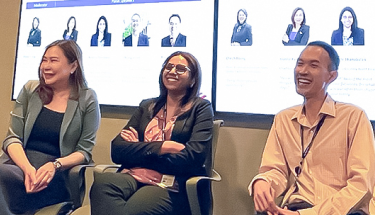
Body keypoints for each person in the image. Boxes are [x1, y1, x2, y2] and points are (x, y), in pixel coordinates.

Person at [248, 41, 375, 215]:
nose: (303, 71)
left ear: (332, 76)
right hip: (294, 206)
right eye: (300, 63)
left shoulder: (354, 117)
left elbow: (361, 186)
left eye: (313, 65)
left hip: (340, 211)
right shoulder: (283, 119)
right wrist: (263, 182)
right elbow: (275, 170)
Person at [90, 51, 214, 215]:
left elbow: (193, 157)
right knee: (103, 183)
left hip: (171, 183)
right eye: (168, 67)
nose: (172, 71)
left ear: (192, 80)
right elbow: (118, 149)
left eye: (180, 68)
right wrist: (162, 147)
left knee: (129, 210)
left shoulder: (201, 108)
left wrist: (138, 149)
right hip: (133, 175)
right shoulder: (147, 106)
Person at [0, 40, 100, 214]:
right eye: (44, 60)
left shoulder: (87, 99)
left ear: (73, 66)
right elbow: (12, 138)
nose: (45, 66)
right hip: (19, 166)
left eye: (53, 60)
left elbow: (84, 152)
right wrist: (27, 169)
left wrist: (54, 165)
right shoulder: (30, 90)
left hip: (55, 174)